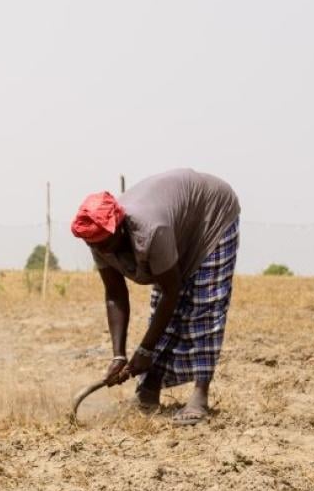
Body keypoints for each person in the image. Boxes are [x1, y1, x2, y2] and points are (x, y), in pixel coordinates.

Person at [71, 169, 240, 425]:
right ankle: (150, 387)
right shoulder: (98, 239)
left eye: (104, 243)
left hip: (211, 215)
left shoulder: (151, 230)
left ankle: (200, 395)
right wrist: (119, 355)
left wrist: (145, 349)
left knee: (204, 304)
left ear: (120, 228)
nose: (100, 249)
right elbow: (115, 294)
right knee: (160, 311)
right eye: (93, 244)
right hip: (178, 225)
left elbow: (172, 291)